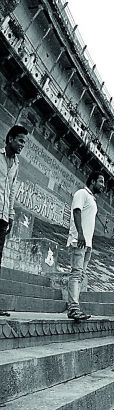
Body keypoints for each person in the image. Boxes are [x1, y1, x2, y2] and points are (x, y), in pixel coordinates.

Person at [66, 171, 105, 320]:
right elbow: (76, 212)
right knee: (76, 273)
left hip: (87, 244)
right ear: (93, 181)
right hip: (79, 240)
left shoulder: (92, 199)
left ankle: (75, 307)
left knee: (80, 275)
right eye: (100, 182)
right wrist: (80, 234)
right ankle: (73, 308)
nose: (103, 186)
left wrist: (88, 242)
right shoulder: (81, 193)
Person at [0, 124, 27, 316]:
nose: (22, 145)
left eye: (24, 142)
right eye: (20, 140)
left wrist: (10, 216)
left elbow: (11, 191)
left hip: (2, 218)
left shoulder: (16, 164)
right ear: (10, 139)